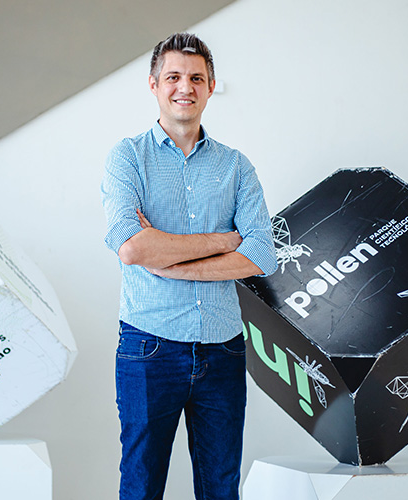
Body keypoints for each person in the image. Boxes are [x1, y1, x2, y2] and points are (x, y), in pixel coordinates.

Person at [101, 32, 277, 500]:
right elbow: (132, 248)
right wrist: (223, 241)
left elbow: (261, 254)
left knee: (221, 489)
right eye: (174, 77)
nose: (185, 87)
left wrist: (171, 261)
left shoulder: (236, 167)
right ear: (154, 85)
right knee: (141, 487)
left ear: (211, 87)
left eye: (197, 78)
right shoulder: (127, 158)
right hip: (149, 347)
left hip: (223, 350)